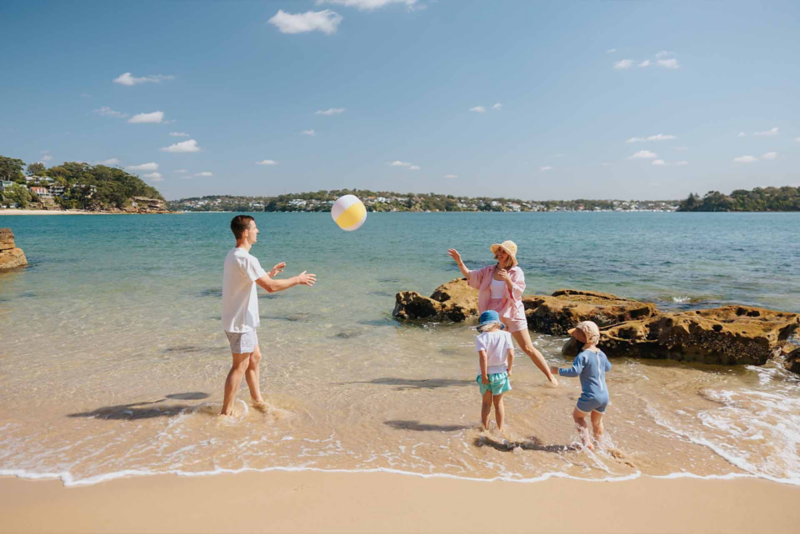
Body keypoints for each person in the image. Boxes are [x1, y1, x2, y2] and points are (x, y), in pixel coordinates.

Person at [220, 215, 316, 416]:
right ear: (245, 232)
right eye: (255, 228)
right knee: (240, 365)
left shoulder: (233, 254)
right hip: (240, 322)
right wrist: (297, 279)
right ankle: (225, 413)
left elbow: (253, 281)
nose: (258, 231)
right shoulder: (246, 258)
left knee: (254, 357)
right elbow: (270, 288)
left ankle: (257, 401)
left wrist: (269, 274)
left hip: (241, 320)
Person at [448, 241, 558, 385]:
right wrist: (459, 261)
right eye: (498, 251)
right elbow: (470, 276)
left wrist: (507, 280)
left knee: (528, 348)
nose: (499, 254)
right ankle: (498, 379)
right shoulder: (488, 270)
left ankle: (550, 377)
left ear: (510, 255)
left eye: (503, 252)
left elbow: (518, 292)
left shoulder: (516, 271)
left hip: (513, 311)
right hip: (494, 313)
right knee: (497, 347)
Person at [550, 321, 611, 450]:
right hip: (604, 396)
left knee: (578, 416)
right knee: (597, 422)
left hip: (591, 395)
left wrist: (557, 370)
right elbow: (608, 368)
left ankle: (587, 444)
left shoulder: (582, 356)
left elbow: (574, 372)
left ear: (581, 339)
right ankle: (600, 445)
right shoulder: (601, 354)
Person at [475, 310, 515, 431]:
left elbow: (483, 357)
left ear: (483, 325)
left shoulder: (481, 337)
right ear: (497, 323)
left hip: (486, 374)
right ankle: (500, 429)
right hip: (501, 374)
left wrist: (484, 375)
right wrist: (510, 369)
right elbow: (511, 354)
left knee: (486, 404)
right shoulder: (506, 335)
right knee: (499, 403)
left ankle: (485, 429)